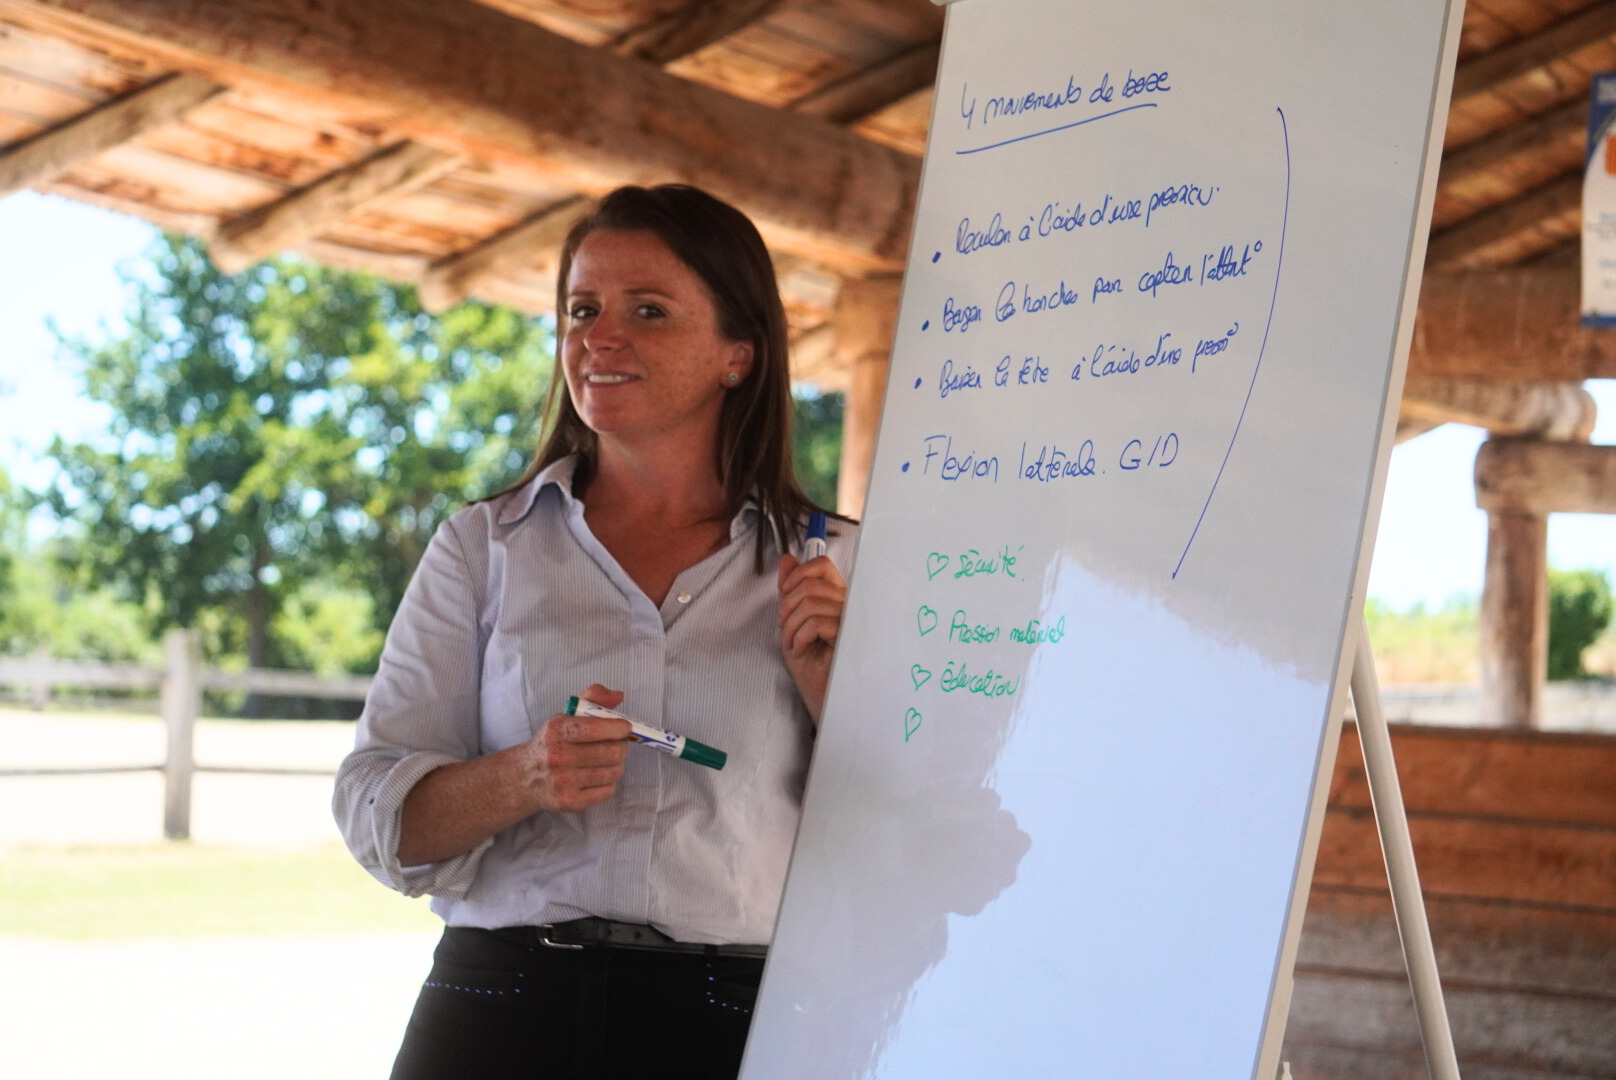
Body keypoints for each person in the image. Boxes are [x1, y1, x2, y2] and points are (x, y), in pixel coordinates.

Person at [333, 184, 855, 1080]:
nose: (597, 338)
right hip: (497, 1007)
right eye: (582, 310)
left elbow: (927, 840)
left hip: (736, 1019)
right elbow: (376, 820)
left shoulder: (839, 569)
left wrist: (832, 695)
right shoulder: (480, 547)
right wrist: (525, 776)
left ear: (738, 355)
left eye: (647, 311)